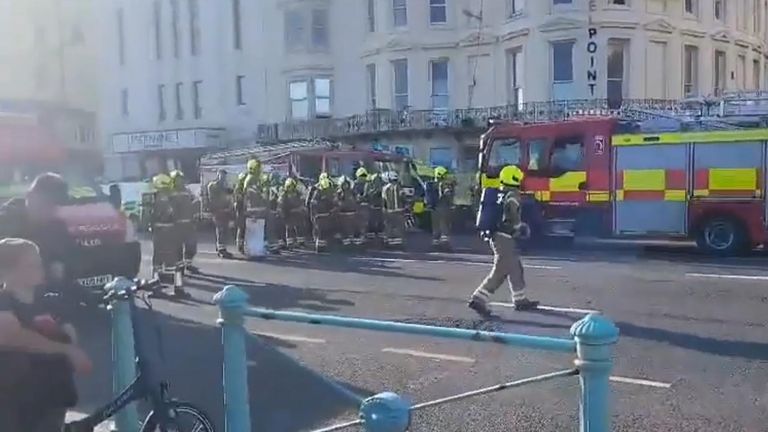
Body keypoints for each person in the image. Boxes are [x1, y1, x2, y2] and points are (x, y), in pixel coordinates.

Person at [0, 238, 93, 432]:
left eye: (39, 262)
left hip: (53, 395)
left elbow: (70, 334)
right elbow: (10, 335)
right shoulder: (4, 302)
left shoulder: (50, 301)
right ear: (8, 270)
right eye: (31, 264)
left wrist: (67, 343)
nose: (40, 267)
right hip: (16, 400)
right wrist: (65, 348)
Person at [0, 173, 83, 306]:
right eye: (45, 205)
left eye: (54, 207)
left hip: (48, 294)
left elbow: (71, 259)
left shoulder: (57, 227)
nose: (49, 211)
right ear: (30, 197)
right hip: (11, 300)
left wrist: (60, 265)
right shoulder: (5, 222)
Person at [468, 165, 539, 316]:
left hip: (499, 236)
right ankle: (478, 298)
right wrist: (519, 226)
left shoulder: (501, 192)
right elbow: (511, 210)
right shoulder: (513, 194)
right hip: (504, 238)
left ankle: (520, 299)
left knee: (515, 267)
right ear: (514, 178)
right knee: (500, 270)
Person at [150, 173, 187, 296]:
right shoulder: (173, 197)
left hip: (160, 233)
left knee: (158, 260)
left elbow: (147, 217)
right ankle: (178, 287)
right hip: (172, 231)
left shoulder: (155, 198)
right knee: (174, 259)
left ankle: (156, 287)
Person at [169, 170, 198, 274]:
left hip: (189, 223)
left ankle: (188, 264)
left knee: (191, 245)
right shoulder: (170, 192)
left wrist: (195, 211)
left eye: (181, 179)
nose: (180, 181)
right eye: (177, 179)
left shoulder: (187, 190)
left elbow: (194, 200)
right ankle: (179, 267)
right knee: (178, 248)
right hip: (177, 224)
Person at [206, 169, 233, 258]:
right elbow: (212, 199)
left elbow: (228, 197)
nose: (223, 178)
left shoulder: (225, 186)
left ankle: (222, 248)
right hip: (218, 211)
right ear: (218, 175)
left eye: (224, 176)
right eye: (221, 175)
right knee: (220, 230)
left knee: (225, 231)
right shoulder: (213, 186)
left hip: (225, 211)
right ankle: (221, 250)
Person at [309, 172, 336, 252]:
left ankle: (323, 246)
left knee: (325, 231)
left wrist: (333, 208)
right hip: (318, 215)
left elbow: (334, 201)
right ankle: (319, 248)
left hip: (327, 214)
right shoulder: (316, 191)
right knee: (319, 231)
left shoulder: (330, 190)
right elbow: (311, 204)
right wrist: (313, 215)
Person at [278, 177, 306, 248]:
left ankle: (301, 242)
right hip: (289, 214)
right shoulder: (284, 195)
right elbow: (281, 205)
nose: (290, 188)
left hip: (298, 214)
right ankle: (290, 243)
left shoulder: (297, 193)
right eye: (289, 187)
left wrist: (302, 209)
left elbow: (302, 201)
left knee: (300, 228)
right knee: (289, 228)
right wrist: (283, 214)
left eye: (292, 186)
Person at [432, 166, 455, 250]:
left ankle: (435, 243)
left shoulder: (432, 184)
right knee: (444, 226)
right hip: (443, 208)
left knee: (436, 226)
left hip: (434, 208)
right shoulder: (444, 184)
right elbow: (447, 195)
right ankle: (445, 244)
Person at [335, 176, 358, 247]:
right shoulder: (339, 192)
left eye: (346, 184)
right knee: (344, 229)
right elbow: (336, 201)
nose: (345, 186)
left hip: (352, 213)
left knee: (352, 228)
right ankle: (346, 243)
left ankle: (352, 242)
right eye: (344, 184)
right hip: (343, 214)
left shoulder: (352, 192)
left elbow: (356, 199)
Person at [364, 172, 385, 244]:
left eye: (379, 180)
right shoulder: (369, 186)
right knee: (371, 222)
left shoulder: (383, 187)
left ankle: (380, 236)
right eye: (376, 180)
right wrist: (375, 191)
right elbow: (367, 195)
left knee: (380, 222)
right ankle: (371, 236)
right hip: (372, 207)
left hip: (380, 207)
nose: (377, 182)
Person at [352, 167, 370, 246]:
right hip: (362, 206)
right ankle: (362, 236)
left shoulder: (355, 184)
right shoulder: (367, 183)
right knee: (362, 222)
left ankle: (360, 237)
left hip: (360, 206)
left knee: (361, 222)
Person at [233, 171, 248, 254]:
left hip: (245, 211)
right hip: (240, 211)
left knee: (245, 229)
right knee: (241, 228)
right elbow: (239, 201)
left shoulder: (245, 187)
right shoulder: (239, 188)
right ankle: (240, 246)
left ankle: (243, 245)